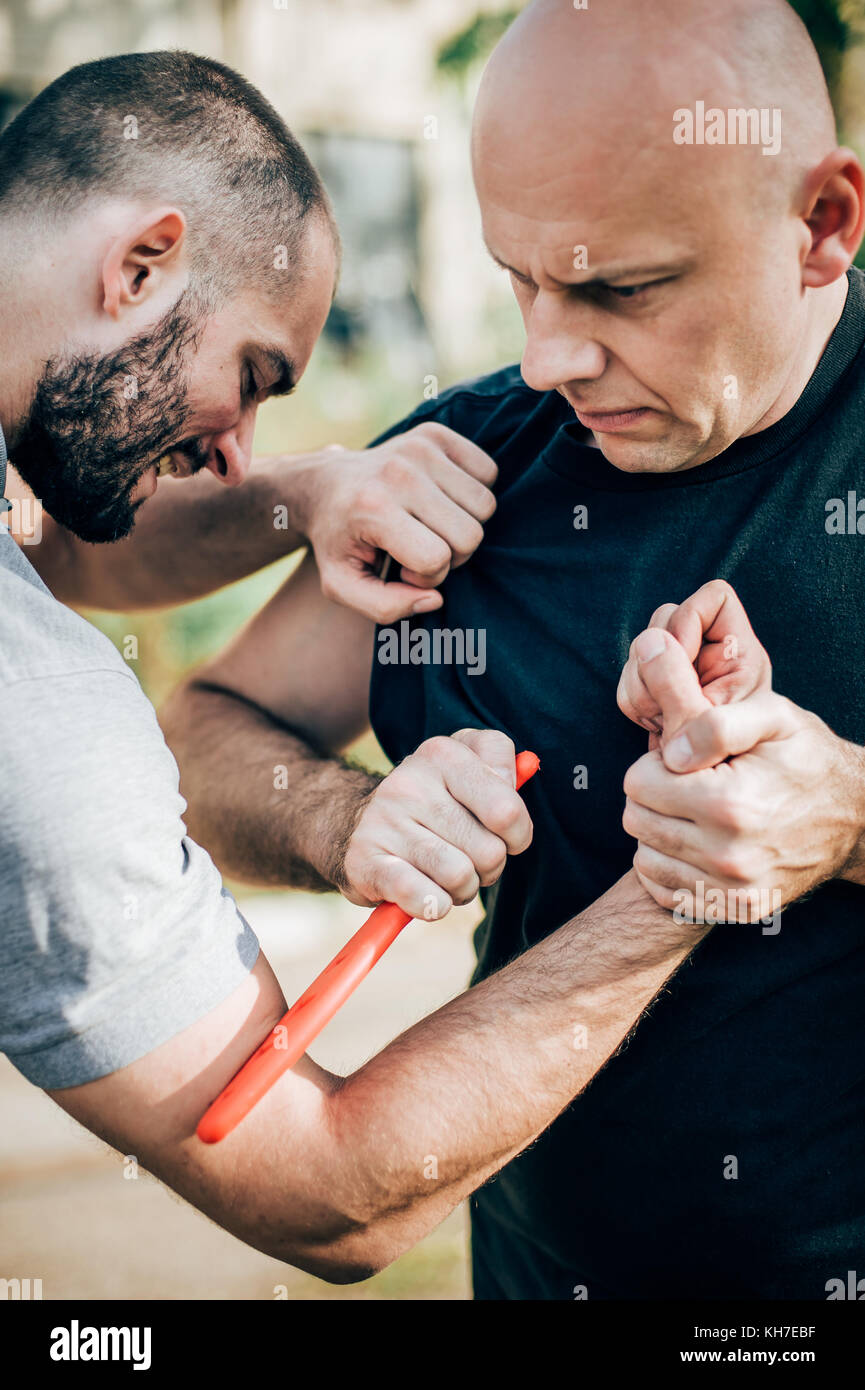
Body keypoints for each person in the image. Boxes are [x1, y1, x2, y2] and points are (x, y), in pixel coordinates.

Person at [162, 0, 865, 1299]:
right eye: (520, 279)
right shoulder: (465, 469)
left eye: (618, 288)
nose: (550, 357)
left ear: (821, 223)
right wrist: (346, 819)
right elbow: (206, 730)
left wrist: (846, 816)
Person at [0, 49, 703, 1282]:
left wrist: (309, 493)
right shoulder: (39, 714)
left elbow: (73, 537)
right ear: (141, 265)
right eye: (255, 381)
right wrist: (694, 865)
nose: (237, 457)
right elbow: (324, 1190)